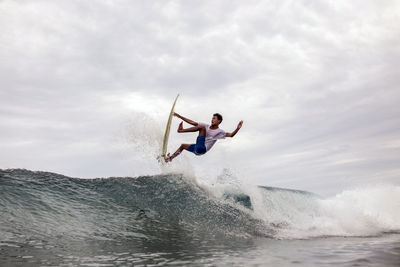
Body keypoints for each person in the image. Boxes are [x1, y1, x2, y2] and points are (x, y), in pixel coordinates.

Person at [164, 112, 243, 162]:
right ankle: (170, 158)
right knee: (183, 146)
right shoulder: (207, 126)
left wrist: (237, 128)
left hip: (202, 149)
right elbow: (193, 122)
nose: (212, 120)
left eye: (214, 118)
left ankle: (181, 130)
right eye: (212, 118)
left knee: (202, 128)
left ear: (219, 121)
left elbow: (231, 135)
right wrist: (179, 116)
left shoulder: (220, 132)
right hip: (197, 149)